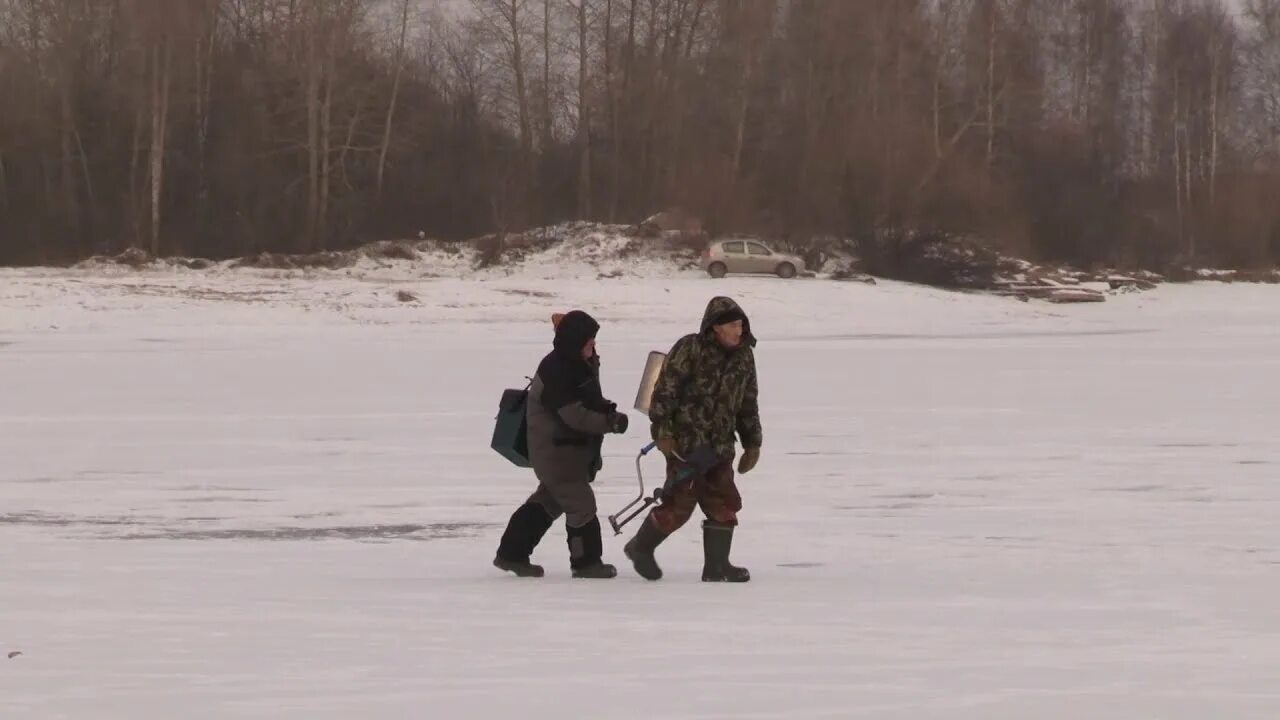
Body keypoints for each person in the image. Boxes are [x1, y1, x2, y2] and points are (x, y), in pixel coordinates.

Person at [623, 296, 762, 582]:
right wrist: (663, 433)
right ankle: (640, 548)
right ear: (715, 328)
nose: (739, 330)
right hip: (685, 445)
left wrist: (752, 443)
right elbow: (665, 392)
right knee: (679, 505)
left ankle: (717, 567)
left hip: (720, 446)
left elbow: (748, 404)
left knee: (723, 504)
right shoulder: (690, 349)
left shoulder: (745, 356)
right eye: (733, 325)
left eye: (741, 324)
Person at [493, 310, 630, 579]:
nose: (594, 348)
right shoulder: (556, 369)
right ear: (576, 342)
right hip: (556, 453)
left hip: (567, 451)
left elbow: (589, 398)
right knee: (581, 503)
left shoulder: (576, 363)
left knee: (550, 501)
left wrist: (608, 412)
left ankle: (511, 553)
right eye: (590, 342)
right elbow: (573, 415)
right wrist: (608, 423)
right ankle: (586, 563)